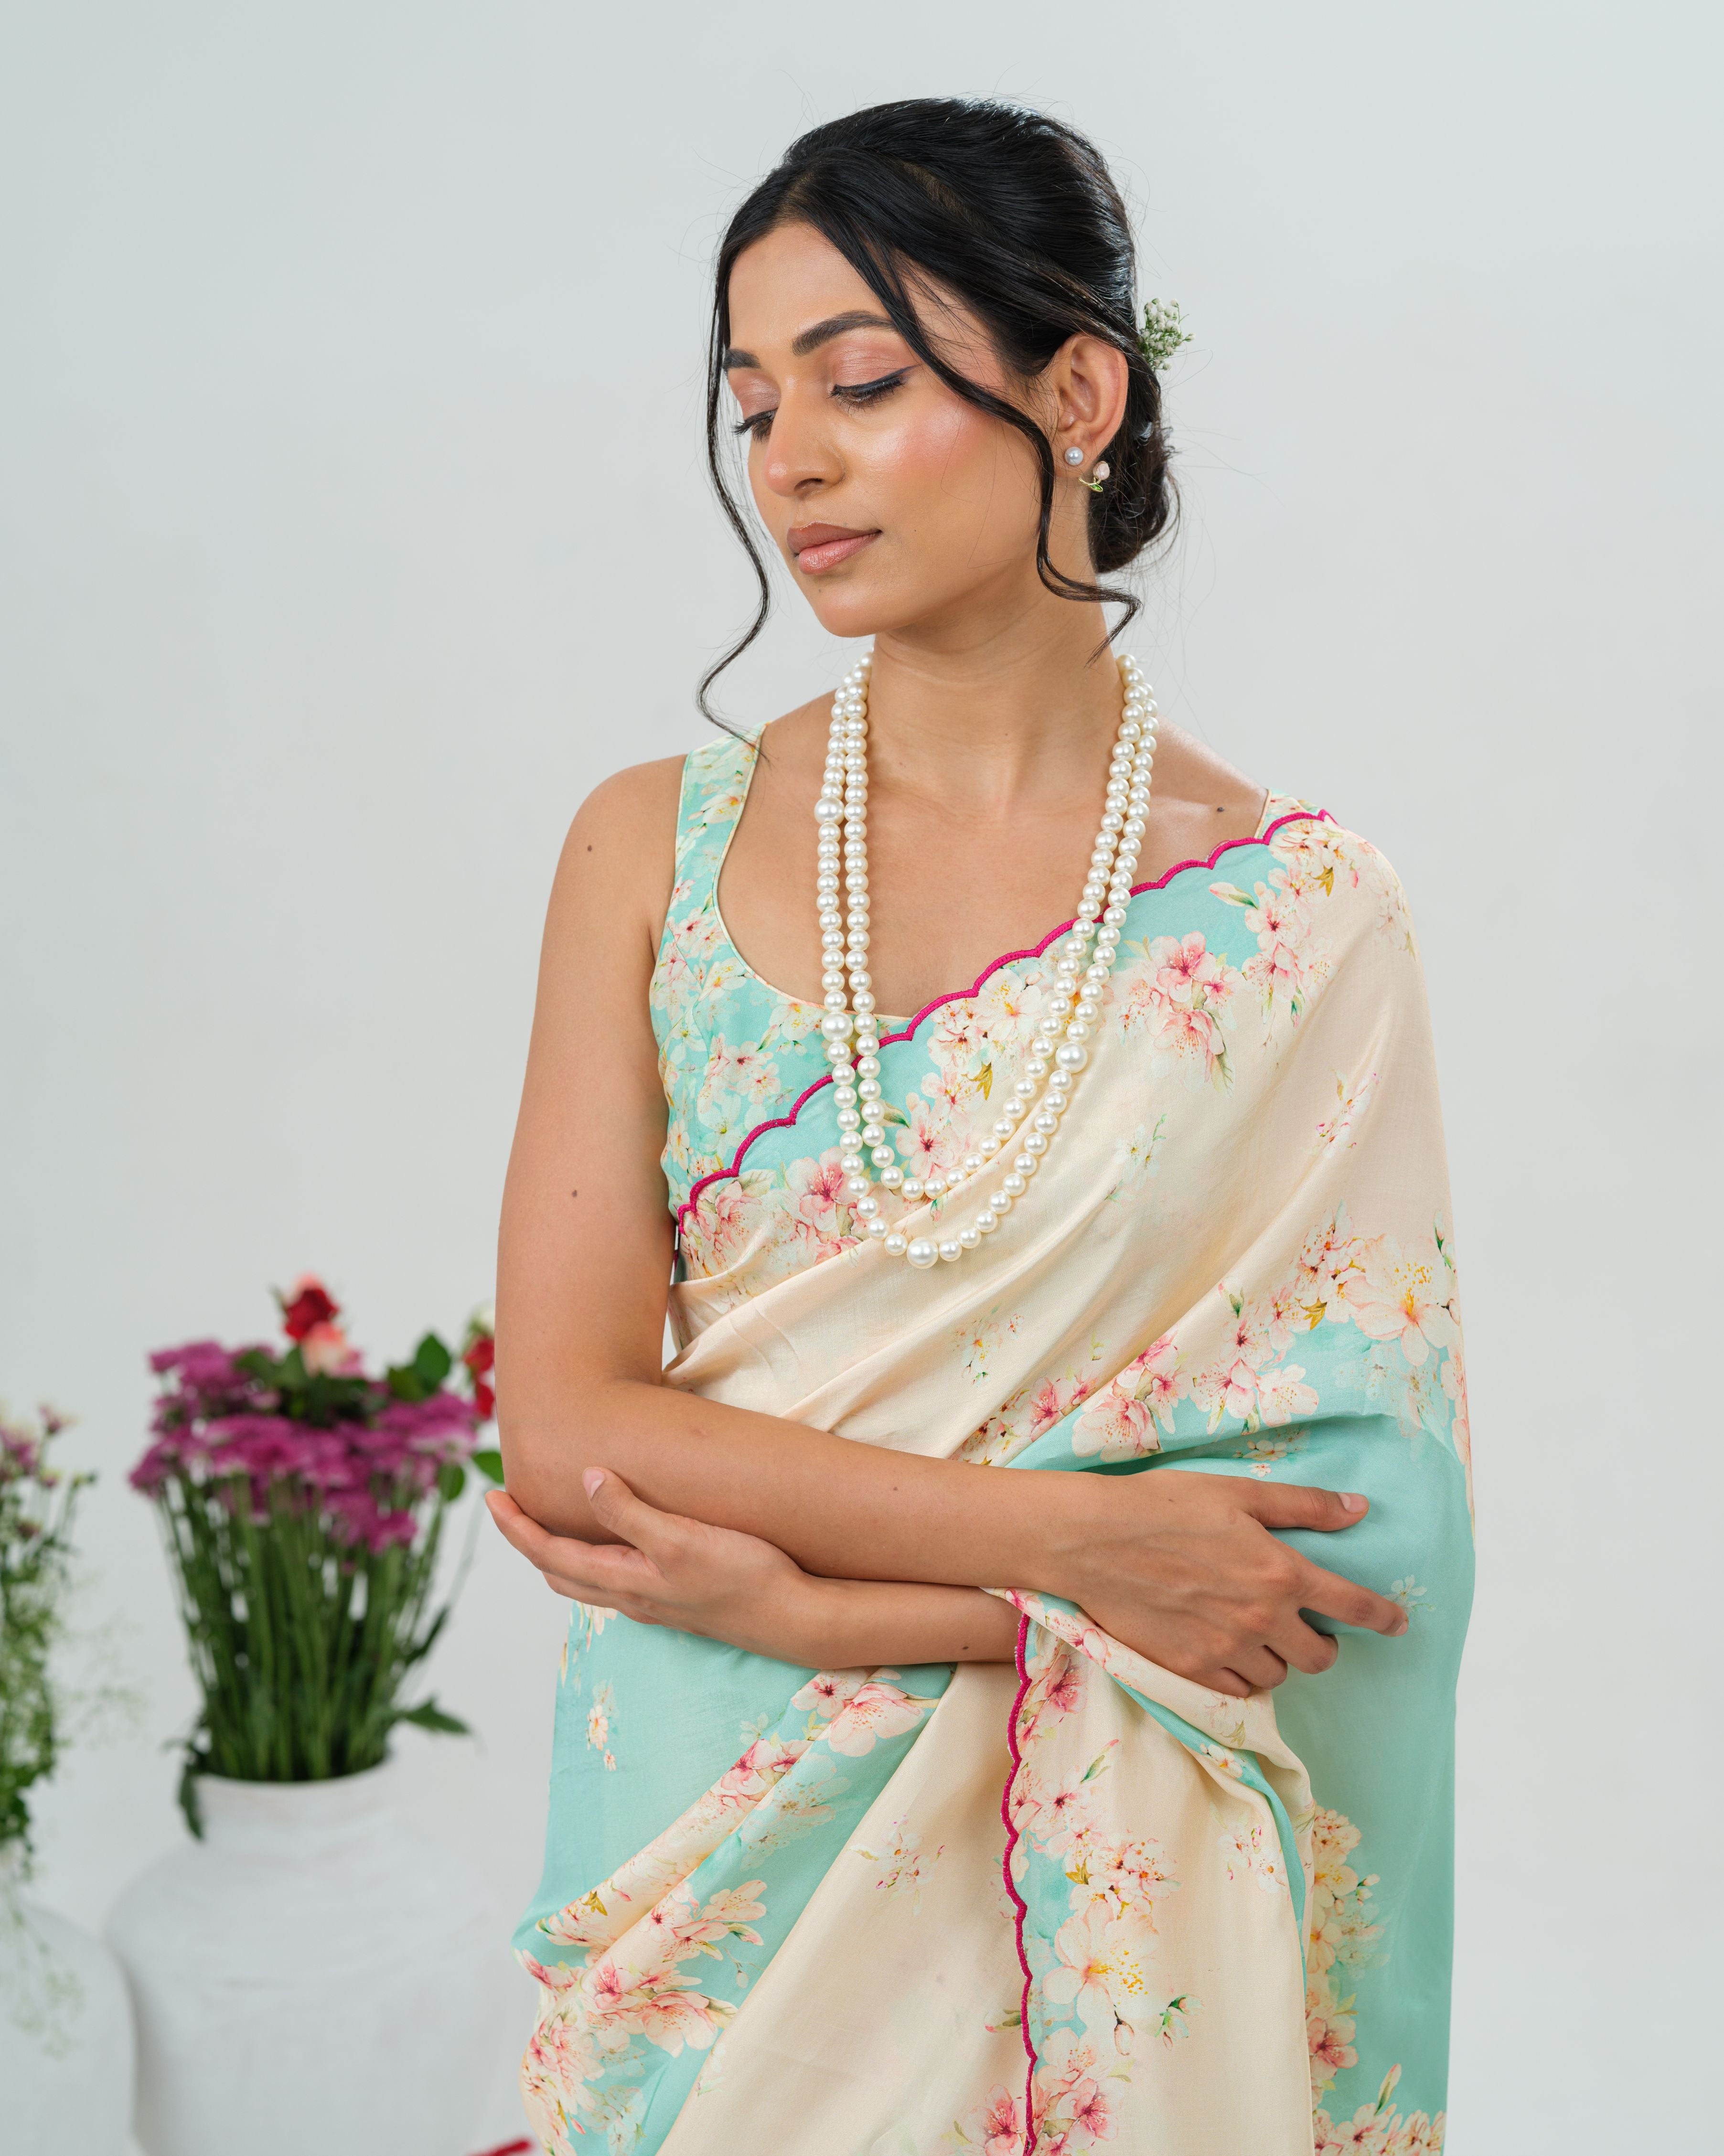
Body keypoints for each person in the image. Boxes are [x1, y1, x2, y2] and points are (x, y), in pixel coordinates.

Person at [487, 97, 1472, 2156]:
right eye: (753, 404)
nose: (788, 459)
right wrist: (1053, 1556)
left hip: (1115, 1888)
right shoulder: (648, 849)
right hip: (721, 1831)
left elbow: (1338, 1563)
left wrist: (821, 1593)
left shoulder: (1296, 922)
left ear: (1078, 395)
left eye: (857, 382)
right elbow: (574, 1433)